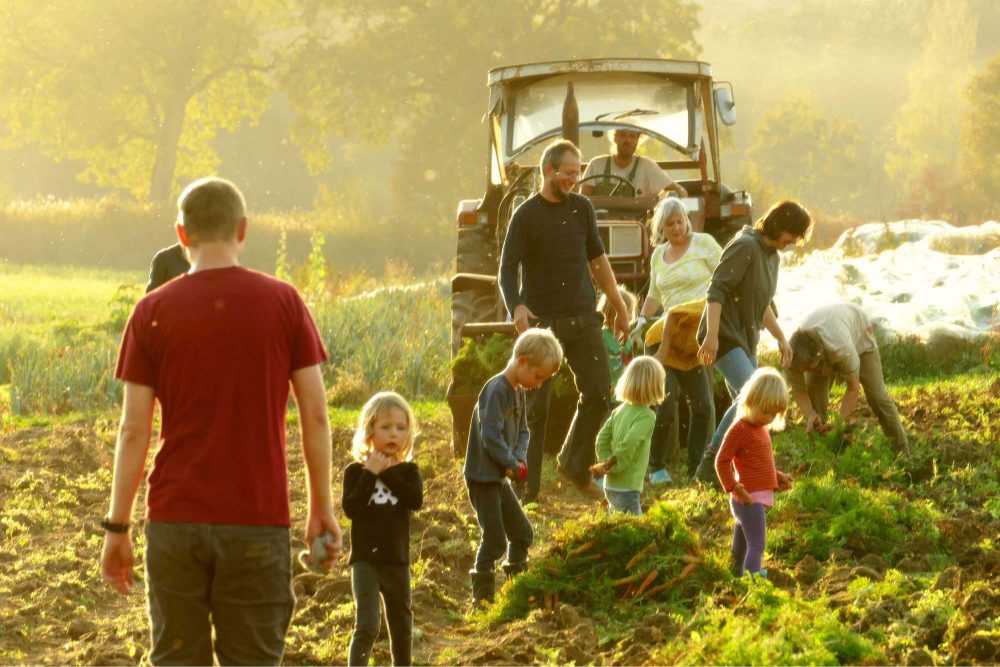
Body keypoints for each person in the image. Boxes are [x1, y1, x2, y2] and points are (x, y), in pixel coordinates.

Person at [100, 177, 342, 665]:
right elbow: (315, 414)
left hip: (174, 522)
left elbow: (133, 431)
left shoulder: (151, 312)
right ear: (243, 229)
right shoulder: (284, 303)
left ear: (182, 235)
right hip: (256, 520)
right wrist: (321, 506)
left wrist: (117, 527)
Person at [498, 139, 630, 503]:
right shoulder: (525, 215)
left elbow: (598, 260)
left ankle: (574, 464)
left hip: (584, 317)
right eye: (569, 172)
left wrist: (618, 304)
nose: (575, 178)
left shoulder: (582, 208)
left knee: (600, 392)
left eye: (578, 172)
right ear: (548, 170)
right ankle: (526, 488)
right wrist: (517, 307)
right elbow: (507, 269)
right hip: (543, 325)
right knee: (535, 410)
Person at [693, 200, 813, 484]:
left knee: (744, 404)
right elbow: (717, 289)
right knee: (753, 397)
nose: (794, 242)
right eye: (794, 235)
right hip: (722, 335)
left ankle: (734, 467)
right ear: (780, 225)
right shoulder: (746, 246)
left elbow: (764, 305)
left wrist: (782, 337)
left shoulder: (773, 257)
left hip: (746, 339)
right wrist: (710, 337)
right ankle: (709, 463)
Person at [464, 328, 563, 605]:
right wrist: (510, 462)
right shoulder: (495, 391)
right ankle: (481, 601)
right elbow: (490, 437)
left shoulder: (518, 392)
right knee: (494, 540)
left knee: (522, 534)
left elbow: (523, 432)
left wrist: (519, 459)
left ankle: (516, 591)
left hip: (499, 477)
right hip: (483, 477)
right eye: (538, 376)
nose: (539, 384)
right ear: (522, 361)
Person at [632, 197, 722, 484]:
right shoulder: (659, 255)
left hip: (696, 335)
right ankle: (656, 468)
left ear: (687, 220)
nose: (676, 228)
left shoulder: (705, 243)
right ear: (661, 227)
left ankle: (696, 467)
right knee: (665, 402)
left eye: (680, 221)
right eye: (669, 224)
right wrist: (642, 320)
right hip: (665, 336)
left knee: (703, 406)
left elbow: (726, 277)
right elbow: (655, 294)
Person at [342, 392, 423, 667]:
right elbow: (351, 509)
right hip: (365, 561)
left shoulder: (409, 471)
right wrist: (370, 473)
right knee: (367, 624)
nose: (394, 434)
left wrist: (386, 472)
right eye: (385, 427)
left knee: (402, 624)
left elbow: (415, 500)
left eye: (401, 428)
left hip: (397, 561)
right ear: (369, 431)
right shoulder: (355, 472)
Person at [785, 302, 909, 454]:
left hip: (858, 336)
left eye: (815, 367)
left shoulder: (841, 348)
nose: (815, 371)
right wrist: (810, 414)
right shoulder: (790, 356)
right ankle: (820, 453)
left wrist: (840, 422)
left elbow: (853, 389)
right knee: (814, 398)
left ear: (820, 355)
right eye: (804, 369)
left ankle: (901, 450)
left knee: (878, 397)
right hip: (825, 339)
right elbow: (797, 389)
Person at [714, 367, 794, 578]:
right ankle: (753, 580)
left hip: (752, 495)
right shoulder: (739, 429)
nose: (769, 417)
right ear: (751, 400)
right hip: (747, 498)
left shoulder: (761, 429)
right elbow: (721, 461)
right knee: (757, 544)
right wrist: (733, 486)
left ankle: (735, 575)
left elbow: (759, 463)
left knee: (741, 544)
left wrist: (777, 476)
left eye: (774, 413)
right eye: (765, 411)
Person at [592, 356, 666, 515]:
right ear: (655, 386)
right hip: (627, 486)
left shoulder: (619, 411)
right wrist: (614, 466)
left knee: (616, 525)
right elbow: (629, 443)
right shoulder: (647, 416)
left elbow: (601, 440)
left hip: (609, 484)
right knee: (635, 532)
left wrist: (606, 463)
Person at [579, 129, 688, 198]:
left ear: (638, 140)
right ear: (615, 138)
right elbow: (583, 202)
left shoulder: (647, 166)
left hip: (638, 228)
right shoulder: (596, 165)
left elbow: (680, 191)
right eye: (623, 135)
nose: (628, 140)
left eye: (632, 136)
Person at [599, 285, 637, 390]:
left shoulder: (626, 338)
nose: (630, 315)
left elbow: (630, 366)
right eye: (628, 312)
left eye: (631, 312)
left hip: (622, 392)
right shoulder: (602, 336)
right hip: (605, 391)